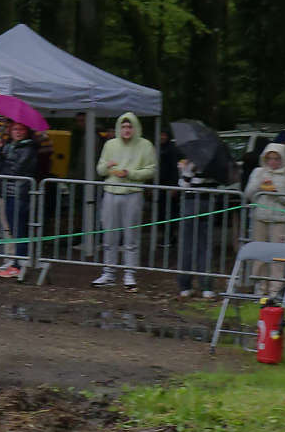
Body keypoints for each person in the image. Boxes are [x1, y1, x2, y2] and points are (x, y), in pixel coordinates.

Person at [92, 112, 157, 288]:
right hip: (111, 192)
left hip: (132, 194)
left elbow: (151, 170)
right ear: (118, 127)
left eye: (130, 126)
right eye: (123, 126)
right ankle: (109, 273)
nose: (126, 129)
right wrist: (108, 166)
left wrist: (130, 174)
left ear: (136, 128)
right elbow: (99, 169)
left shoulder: (145, 145)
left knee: (131, 236)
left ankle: (130, 274)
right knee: (109, 235)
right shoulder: (110, 144)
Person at [173, 143, 233, 299]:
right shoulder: (215, 166)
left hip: (191, 203)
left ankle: (185, 286)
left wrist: (183, 170)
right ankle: (206, 287)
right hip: (208, 205)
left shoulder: (191, 163)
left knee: (187, 246)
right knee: (205, 246)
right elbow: (219, 184)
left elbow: (184, 185)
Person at [243, 143, 285, 294]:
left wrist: (276, 192)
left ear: (282, 159)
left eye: (276, 159)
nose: (273, 162)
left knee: (278, 257)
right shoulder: (258, 172)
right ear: (264, 159)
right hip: (260, 219)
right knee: (259, 255)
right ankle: (260, 290)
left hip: (280, 221)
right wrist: (259, 186)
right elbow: (247, 194)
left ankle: (274, 292)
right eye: (269, 158)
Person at [0, 122, 39, 280]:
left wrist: (3, 156)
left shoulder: (28, 148)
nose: (18, 132)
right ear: (10, 131)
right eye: (15, 129)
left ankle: (19, 264)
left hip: (20, 192)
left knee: (19, 229)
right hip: (8, 191)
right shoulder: (9, 146)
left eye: (21, 129)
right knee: (12, 228)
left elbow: (16, 169)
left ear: (27, 131)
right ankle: (16, 262)